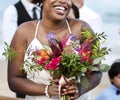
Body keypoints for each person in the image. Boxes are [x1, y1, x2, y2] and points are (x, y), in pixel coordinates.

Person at [8, 0, 102, 100]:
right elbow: (14, 80)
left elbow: (96, 72)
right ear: (41, 1)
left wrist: (79, 89)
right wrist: (46, 89)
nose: (63, 1)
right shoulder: (24, 31)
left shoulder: (82, 29)